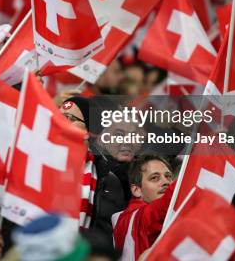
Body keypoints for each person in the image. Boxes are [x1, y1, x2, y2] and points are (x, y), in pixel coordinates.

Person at [60, 96, 126, 242]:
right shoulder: (42, 160)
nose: (60, 122)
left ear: (87, 132)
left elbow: (106, 235)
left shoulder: (108, 180)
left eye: (69, 118)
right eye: (58, 116)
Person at [112, 154, 175, 260]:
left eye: (168, 176)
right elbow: (169, 200)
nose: (166, 182)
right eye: (155, 178)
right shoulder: (139, 217)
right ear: (137, 190)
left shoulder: (126, 219)